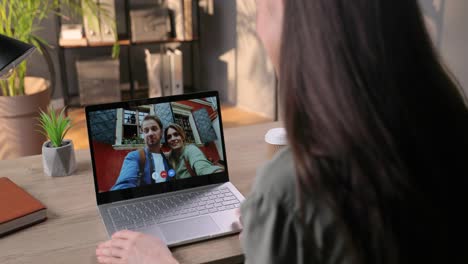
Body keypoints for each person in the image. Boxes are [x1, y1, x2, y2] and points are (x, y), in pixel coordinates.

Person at [97, 0, 468, 263]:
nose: (257, 27)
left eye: (262, 7)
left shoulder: (293, 186)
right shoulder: (450, 121)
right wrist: (271, 229)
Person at [111, 115, 173, 191]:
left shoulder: (168, 158)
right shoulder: (134, 156)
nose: (150, 133)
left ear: (161, 132)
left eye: (154, 129)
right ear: (143, 134)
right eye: (146, 130)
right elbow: (123, 186)